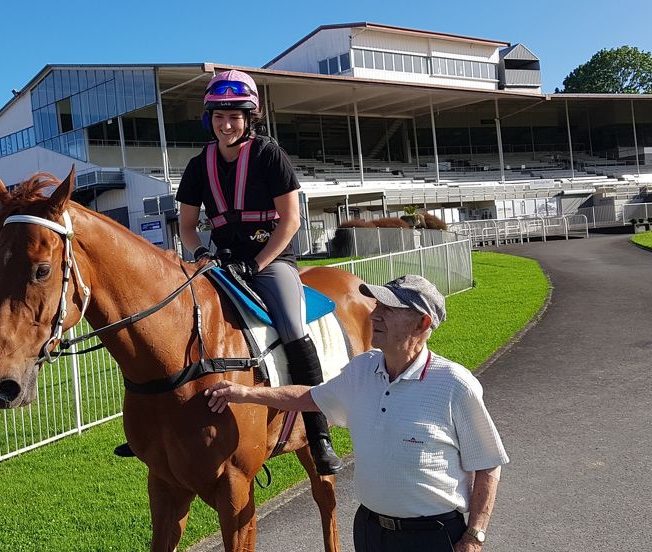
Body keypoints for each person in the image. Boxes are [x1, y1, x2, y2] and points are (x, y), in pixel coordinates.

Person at [113, 69, 344, 475]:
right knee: (177, 323)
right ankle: (158, 427)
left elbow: (290, 220)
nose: (226, 124)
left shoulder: (269, 155)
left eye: (234, 116)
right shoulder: (198, 165)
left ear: (249, 117)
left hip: (271, 262)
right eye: (219, 116)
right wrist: (202, 252)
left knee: (292, 326)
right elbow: (186, 225)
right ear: (210, 119)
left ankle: (319, 431)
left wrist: (256, 263)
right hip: (220, 262)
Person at [206, 275, 509, 551]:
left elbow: (488, 464)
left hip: (432, 536)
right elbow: (310, 397)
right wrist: (246, 394)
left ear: (422, 324)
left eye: (389, 309)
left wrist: (474, 536)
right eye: (377, 306)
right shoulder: (363, 369)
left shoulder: (455, 384)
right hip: (370, 531)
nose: (374, 315)